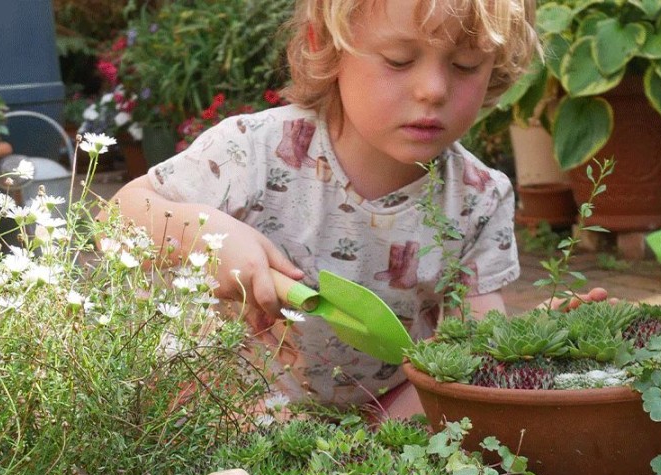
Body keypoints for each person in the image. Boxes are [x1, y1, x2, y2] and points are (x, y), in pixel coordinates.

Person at [111, 0, 538, 416]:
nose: (433, 89)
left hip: (382, 425)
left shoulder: (478, 197)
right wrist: (201, 236)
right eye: (398, 60)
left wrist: (522, 344)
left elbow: (472, 351)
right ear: (327, 46)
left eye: (465, 65)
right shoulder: (251, 152)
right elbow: (116, 217)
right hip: (229, 421)